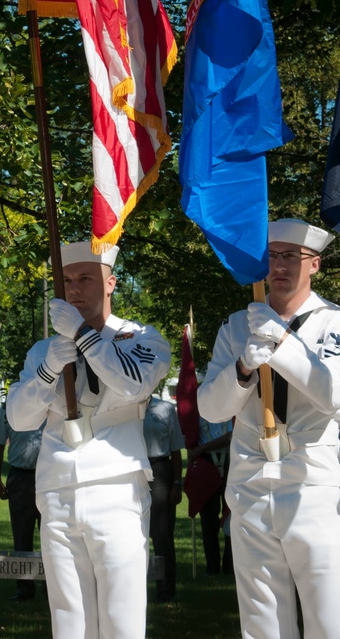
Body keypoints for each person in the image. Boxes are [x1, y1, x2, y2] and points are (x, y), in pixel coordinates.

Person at [7, 241, 171, 639]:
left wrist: (84, 337)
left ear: (111, 282)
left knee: (121, 618)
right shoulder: (45, 350)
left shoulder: (143, 338)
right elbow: (19, 417)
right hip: (57, 489)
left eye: (85, 279)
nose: (74, 289)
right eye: (66, 281)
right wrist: (49, 368)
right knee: (69, 618)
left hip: (116, 487)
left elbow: (132, 384)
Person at [197, 218, 340, 639]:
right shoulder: (236, 326)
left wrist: (281, 343)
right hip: (250, 484)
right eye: (271, 256)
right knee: (261, 624)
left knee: (328, 618)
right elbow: (210, 408)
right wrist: (242, 368)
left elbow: (330, 394)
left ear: (314, 264)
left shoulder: (333, 322)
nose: (278, 266)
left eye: (291, 257)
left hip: (312, 485)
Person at [0, 397, 43, 601]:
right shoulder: (8, 408)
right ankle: (24, 587)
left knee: (52, 535)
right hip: (19, 477)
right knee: (22, 535)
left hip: (48, 477)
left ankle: (54, 586)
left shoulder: (49, 403)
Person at [143, 394, 184, 602]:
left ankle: (165, 590)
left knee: (162, 534)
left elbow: (176, 449)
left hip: (160, 470)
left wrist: (177, 483)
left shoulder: (165, 408)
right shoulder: (124, 408)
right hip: (133, 471)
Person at [188, 417, 233, 576]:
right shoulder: (198, 410)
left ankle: (230, 566)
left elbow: (231, 435)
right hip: (206, 463)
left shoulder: (229, 408)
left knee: (231, 516)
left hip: (228, 459)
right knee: (208, 520)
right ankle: (212, 567)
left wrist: (202, 448)